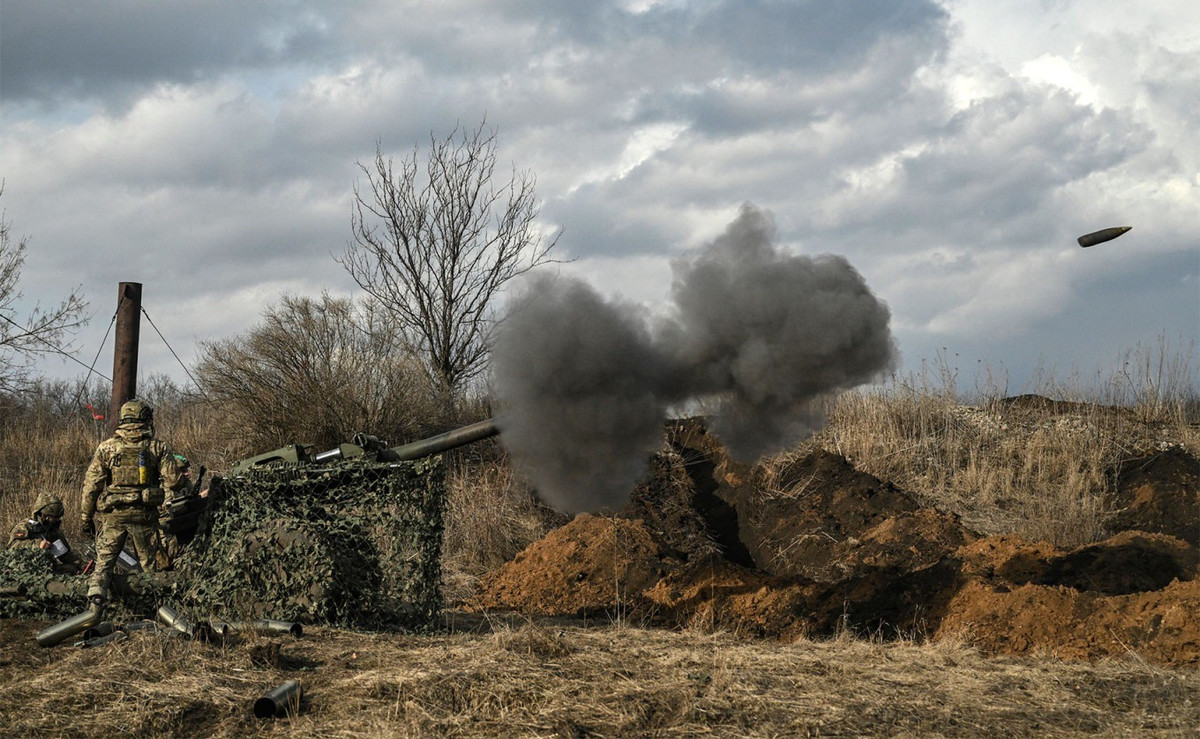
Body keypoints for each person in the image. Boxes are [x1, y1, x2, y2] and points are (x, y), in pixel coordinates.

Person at [80, 398, 183, 612]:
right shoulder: (157, 447)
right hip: (144, 516)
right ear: (146, 418)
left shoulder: (106, 448)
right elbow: (173, 481)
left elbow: (91, 487)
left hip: (114, 516)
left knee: (103, 565)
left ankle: (95, 604)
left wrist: (85, 518)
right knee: (150, 569)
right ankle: (156, 610)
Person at [6, 491, 84, 572]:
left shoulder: (53, 529)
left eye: (57, 517)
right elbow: (12, 546)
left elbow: (64, 554)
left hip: (47, 568)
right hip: (24, 568)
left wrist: (80, 564)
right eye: (52, 517)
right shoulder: (25, 527)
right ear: (42, 514)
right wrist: (37, 544)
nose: (55, 520)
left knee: (72, 569)